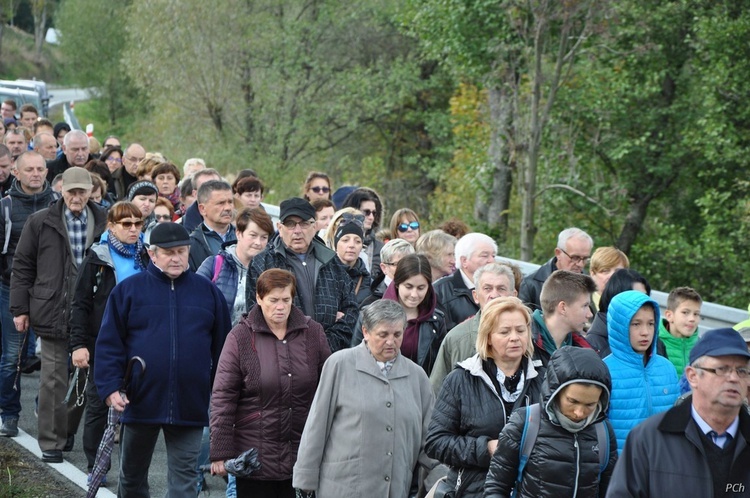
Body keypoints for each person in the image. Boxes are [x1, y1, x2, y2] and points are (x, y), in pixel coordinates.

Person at [94, 222, 231, 496]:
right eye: (168, 252)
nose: (176, 258)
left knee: (184, 483)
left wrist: (220, 395)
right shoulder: (128, 291)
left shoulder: (207, 293)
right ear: (152, 254)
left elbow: (224, 349)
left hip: (190, 403)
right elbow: (109, 344)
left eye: (181, 251)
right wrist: (109, 388)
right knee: (131, 479)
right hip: (140, 399)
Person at [10, 167, 107, 462]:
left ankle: (65, 431)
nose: (76, 197)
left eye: (82, 191)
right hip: (51, 307)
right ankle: (51, 441)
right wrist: (20, 309)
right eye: (71, 191)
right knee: (53, 378)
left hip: (90, 311)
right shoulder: (40, 221)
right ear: (61, 190)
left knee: (82, 374)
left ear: (90, 191)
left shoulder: (103, 220)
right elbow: (23, 265)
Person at [293, 299, 435, 498]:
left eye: (397, 334)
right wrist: (305, 482)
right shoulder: (339, 364)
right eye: (383, 335)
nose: (390, 342)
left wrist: (441, 478)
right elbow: (317, 426)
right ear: (366, 332)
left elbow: (431, 441)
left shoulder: (417, 376)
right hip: (342, 488)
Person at [210, 269, 331, 497]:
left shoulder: (312, 333)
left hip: (303, 452)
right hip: (256, 456)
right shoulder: (240, 337)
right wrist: (220, 451)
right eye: (273, 300)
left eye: (286, 300)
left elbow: (329, 388)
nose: (280, 306)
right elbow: (223, 397)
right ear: (259, 298)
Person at [606, 328, 750, 497]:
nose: (733, 378)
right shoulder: (649, 438)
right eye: (721, 369)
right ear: (692, 376)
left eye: (742, 371)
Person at [426, 297, 545, 497]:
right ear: (488, 337)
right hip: (473, 491)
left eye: (521, 330)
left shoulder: (544, 379)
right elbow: (436, 443)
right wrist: (486, 448)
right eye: (505, 332)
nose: (515, 337)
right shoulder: (461, 380)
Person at [68, 201, 148, 481]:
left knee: (136, 406)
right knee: (98, 403)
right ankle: (95, 465)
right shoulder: (98, 256)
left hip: (138, 342)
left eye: (138, 224)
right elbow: (80, 303)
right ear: (112, 226)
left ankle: (131, 468)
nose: (134, 229)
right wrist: (78, 344)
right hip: (103, 342)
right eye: (126, 224)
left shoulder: (147, 256)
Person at [483, 346, 617, 498]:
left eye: (590, 405)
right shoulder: (525, 423)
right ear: (555, 391)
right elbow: (496, 487)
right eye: (572, 401)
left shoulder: (603, 432)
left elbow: (611, 491)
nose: (579, 412)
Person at [246, 197, 358, 353]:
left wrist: (325, 343)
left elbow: (351, 311)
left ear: (315, 226)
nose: (297, 231)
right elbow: (254, 314)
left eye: (304, 223)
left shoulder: (332, 262)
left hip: (329, 355)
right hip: (283, 356)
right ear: (280, 227)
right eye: (290, 224)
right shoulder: (262, 263)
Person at [0, 152, 59, 438]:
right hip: (11, 288)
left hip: (50, 291)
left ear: (47, 172)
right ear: (16, 172)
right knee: (12, 355)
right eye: (29, 169)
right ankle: (9, 414)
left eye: (40, 169)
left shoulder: (57, 205)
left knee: (53, 356)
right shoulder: (5, 208)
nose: (35, 174)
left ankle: (44, 408)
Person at [604, 290, 679, 452]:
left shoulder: (667, 369)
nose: (645, 332)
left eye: (651, 323)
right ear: (619, 326)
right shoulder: (605, 371)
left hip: (662, 465)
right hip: (620, 469)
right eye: (636, 324)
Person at [430, 263, 518, 394]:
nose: (494, 295)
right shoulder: (457, 338)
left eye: (501, 289)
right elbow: (435, 393)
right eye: (487, 288)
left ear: (513, 295)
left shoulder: (529, 335)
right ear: (475, 296)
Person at [353, 254, 447, 375]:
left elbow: (438, 369)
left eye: (421, 288)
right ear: (397, 284)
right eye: (408, 287)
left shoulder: (436, 321)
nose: (414, 294)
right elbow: (355, 357)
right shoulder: (368, 314)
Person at [198, 207, 273, 326]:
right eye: (253, 235)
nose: (258, 242)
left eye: (264, 237)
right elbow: (194, 303)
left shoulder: (271, 269)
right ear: (238, 233)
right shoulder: (214, 264)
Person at [434, 232, 498, 331]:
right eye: (485, 256)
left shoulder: (501, 287)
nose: (491, 261)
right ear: (464, 261)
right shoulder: (440, 291)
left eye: (493, 256)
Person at [519, 227, 594, 311]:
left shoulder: (589, 284)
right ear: (558, 253)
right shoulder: (531, 284)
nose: (580, 264)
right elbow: (525, 321)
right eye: (575, 258)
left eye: (585, 259)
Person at [531, 270, 596, 367]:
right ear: (563, 308)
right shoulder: (523, 344)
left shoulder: (584, 350)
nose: (590, 314)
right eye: (585, 306)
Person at [586, 268, 651, 358]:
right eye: (635, 298)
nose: (642, 303)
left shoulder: (653, 342)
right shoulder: (593, 345)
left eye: (645, 296)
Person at [188, 180, 236, 271]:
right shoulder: (192, 245)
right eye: (221, 203)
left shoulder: (244, 237)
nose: (228, 208)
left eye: (230, 202)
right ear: (202, 209)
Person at [657, 286, 702, 377]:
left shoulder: (702, 346)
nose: (692, 319)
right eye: (685, 312)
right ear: (669, 315)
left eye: (696, 314)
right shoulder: (654, 343)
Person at [330, 212, 372, 304]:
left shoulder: (369, 281)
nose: (351, 245)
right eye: (345, 240)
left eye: (357, 241)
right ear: (336, 244)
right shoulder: (325, 274)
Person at [341, 187, 385, 274]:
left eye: (374, 213)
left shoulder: (380, 249)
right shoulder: (335, 241)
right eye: (366, 212)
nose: (371, 217)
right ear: (352, 211)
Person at [363, 238, 415, 306]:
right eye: (398, 264)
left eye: (409, 263)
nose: (405, 268)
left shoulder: (424, 295)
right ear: (384, 268)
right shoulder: (371, 304)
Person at [180, 168, 222, 232]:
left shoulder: (237, 220)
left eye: (217, 187)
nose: (213, 192)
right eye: (205, 189)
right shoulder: (181, 228)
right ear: (195, 194)